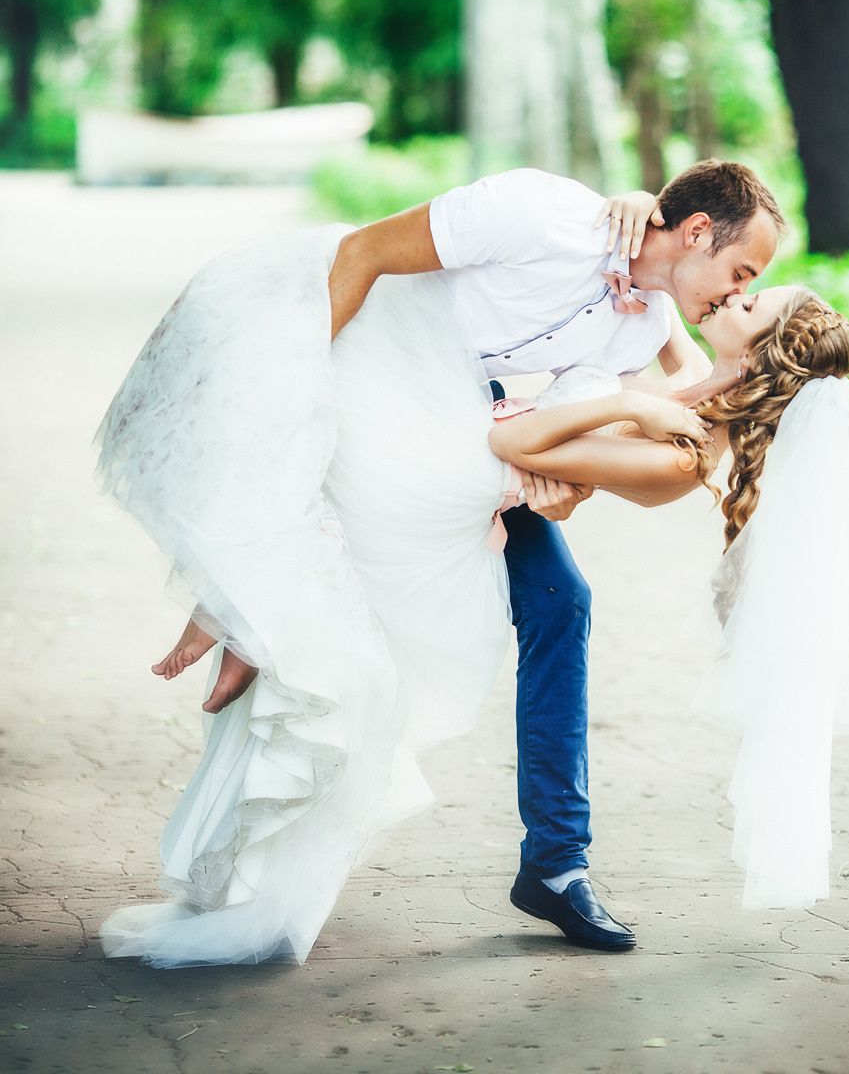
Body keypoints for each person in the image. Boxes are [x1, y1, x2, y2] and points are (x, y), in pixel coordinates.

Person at [131, 160, 788, 959]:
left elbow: (667, 395)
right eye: (740, 271)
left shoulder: (645, 316)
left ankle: (555, 864)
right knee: (355, 555)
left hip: (461, 450)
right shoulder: (537, 214)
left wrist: (568, 486)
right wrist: (293, 417)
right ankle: (246, 615)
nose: (734, 291)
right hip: (345, 379)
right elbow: (363, 255)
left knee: (559, 599)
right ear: (691, 232)